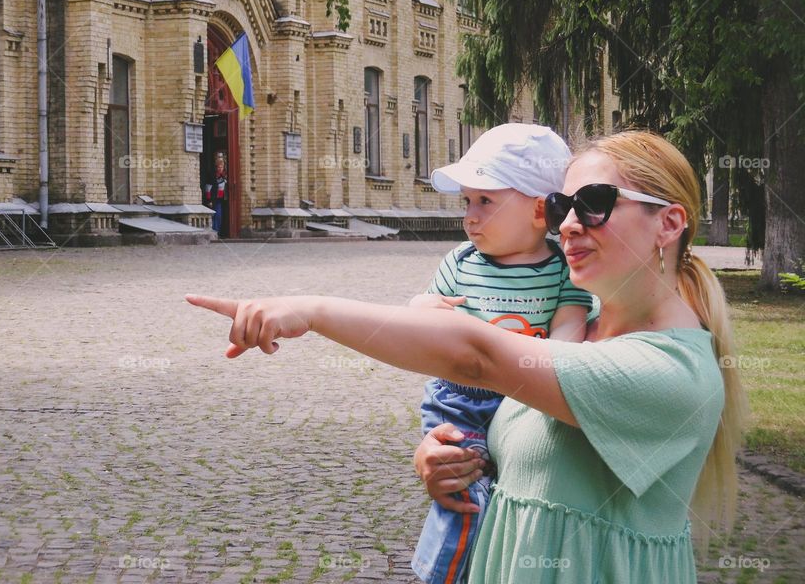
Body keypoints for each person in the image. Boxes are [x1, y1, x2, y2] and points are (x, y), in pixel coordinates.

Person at [187, 130, 746, 584]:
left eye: (595, 204)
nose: (570, 224)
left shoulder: (674, 371)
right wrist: (447, 460)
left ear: (669, 223)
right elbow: (532, 454)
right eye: (561, 206)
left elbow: (476, 356)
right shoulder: (577, 334)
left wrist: (310, 309)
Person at [408, 124, 593, 584]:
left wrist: (552, 354)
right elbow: (422, 316)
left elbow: (569, 323)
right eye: (466, 202)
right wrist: (423, 310)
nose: (470, 216)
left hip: (526, 392)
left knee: (514, 489)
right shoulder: (459, 263)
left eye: (485, 202)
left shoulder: (561, 269)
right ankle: (439, 575)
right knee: (466, 490)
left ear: (539, 211)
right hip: (462, 398)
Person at [204, 151, 228, 234]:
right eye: (218, 167)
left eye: (221, 167)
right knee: (215, 215)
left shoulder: (225, 175)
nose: (220, 168)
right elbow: (208, 188)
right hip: (214, 199)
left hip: (222, 199)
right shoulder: (212, 175)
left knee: (219, 216)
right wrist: (209, 200)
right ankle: (214, 231)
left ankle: (218, 231)